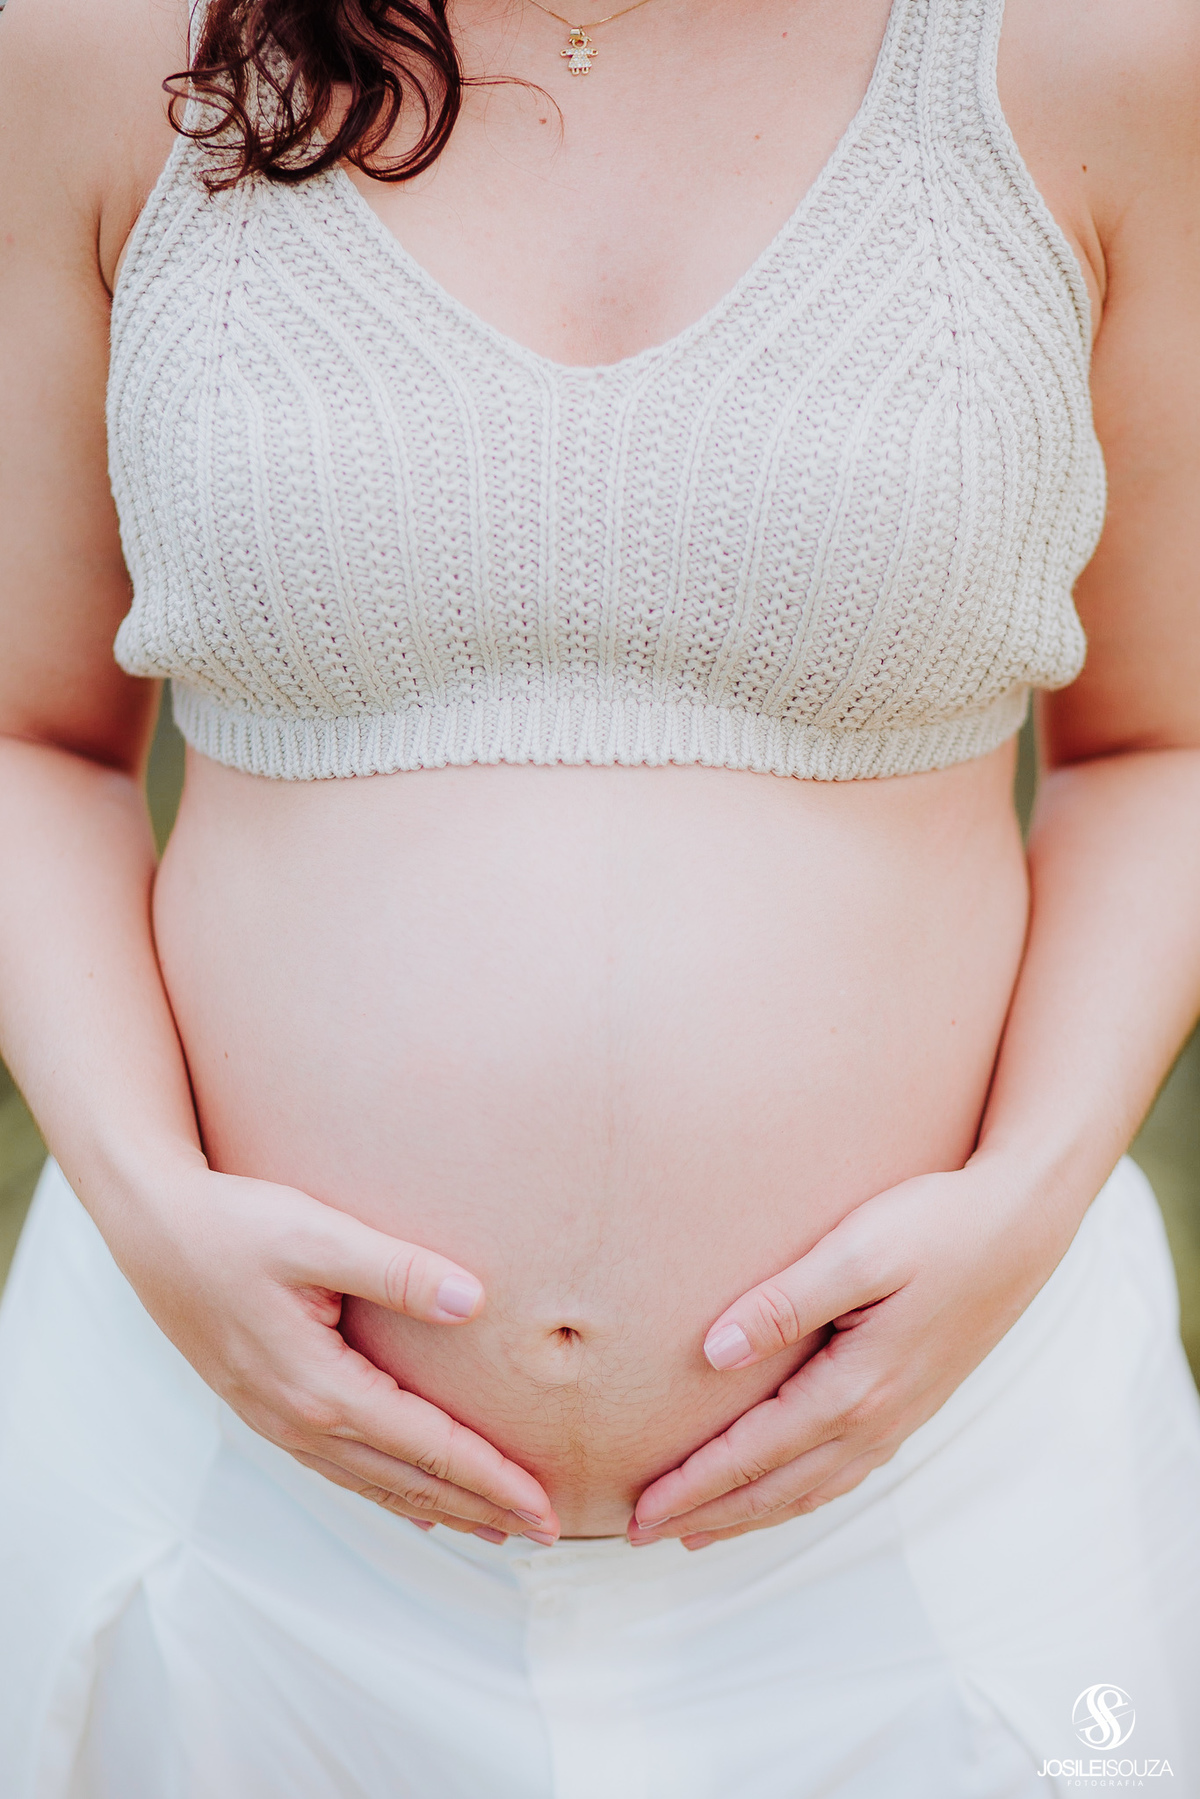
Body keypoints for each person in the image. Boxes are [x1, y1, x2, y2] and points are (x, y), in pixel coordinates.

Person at [2, 0, 1200, 1790]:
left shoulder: (1100, 52)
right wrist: (146, 1206)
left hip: (946, 1501)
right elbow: (27, 740)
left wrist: (1022, 1209)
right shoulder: (100, 49)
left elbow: (1165, 747)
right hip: (234, 1508)